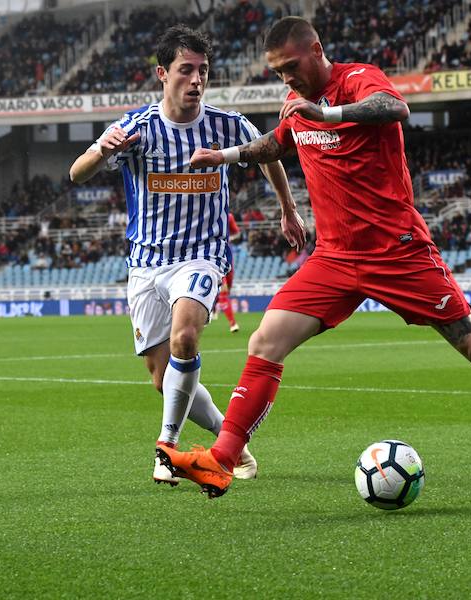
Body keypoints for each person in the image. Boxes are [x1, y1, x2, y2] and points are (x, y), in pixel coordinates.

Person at [156, 16, 471, 498]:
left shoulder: (359, 79)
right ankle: (223, 460)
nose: (287, 78)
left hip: (397, 252)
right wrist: (228, 156)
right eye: (277, 72)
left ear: (317, 50)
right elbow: (278, 142)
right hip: (334, 258)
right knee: (265, 342)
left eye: (291, 66)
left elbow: (393, 107)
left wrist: (330, 116)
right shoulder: (294, 103)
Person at [69, 25, 307, 486]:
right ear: (163, 74)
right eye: (186, 70)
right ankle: (229, 442)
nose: (196, 80)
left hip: (201, 256)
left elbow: (270, 153)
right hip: (145, 264)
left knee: (186, 337)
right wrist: (103, 151)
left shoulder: (226, 124)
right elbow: (77, 174)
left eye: (203, 70)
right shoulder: (136, 128)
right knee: (163, 379)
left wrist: (288, 209)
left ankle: (166, 447)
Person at [214, 212, 242, 332]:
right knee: (224, 290)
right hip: (214, 258)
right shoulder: (206, 214)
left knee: (227, 289)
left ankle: (214, 307)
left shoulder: (229, 216)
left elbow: (237, 233)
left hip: (228, 257)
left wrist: (229, 238)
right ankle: (233, 323)